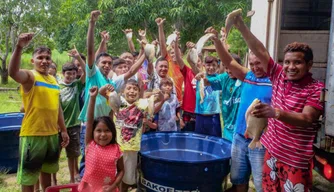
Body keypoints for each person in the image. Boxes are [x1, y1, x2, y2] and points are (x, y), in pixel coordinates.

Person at [230, 12, 324, 191]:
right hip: (271, 154)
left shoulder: (315, 88)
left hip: (295, 161)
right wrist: (241, 26)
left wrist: (276, 113)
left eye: (297, 63)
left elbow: (307, 118)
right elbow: (259, 50)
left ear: (309, 65)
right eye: (287, 62)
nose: (290, 67)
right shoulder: (279, 75)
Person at [205, 26, 272, 192]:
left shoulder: (274, 81)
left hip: (261, 139)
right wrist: (216, 40)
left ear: (267, 61)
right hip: (240, 136)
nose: (256, 67)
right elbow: (228, 61)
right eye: (252, 63)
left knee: (260, 183)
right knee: (237, 178)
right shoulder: (248, 76)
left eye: (259, 63)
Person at [8, 33, 69, 192]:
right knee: (29, 178)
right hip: (33, 135)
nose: (44, 61)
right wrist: (19, 47)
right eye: (40, 57)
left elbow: (57, 108)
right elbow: (13, 73)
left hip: (51, 135)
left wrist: (63, 129)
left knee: (47, 173)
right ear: (32, 60)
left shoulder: (54, 80)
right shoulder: (30, 76)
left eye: (47, 58)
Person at [100, 79, 163, 192]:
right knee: (114, 176)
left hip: (132, 149)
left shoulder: (142, 104)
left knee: (127, 178)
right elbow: (101, 92)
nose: (132, 91)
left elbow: (160, 98)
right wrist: (106, 88)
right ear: (123, 92)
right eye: (128, 88)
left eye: (135, 89)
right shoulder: (118, 102)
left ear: (139, 93)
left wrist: (159, 93)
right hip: (117, 148)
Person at [79, 86, 124, 192]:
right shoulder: (90, 144)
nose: (103, 134)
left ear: (113, 132)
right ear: (92, 132)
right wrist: (92, 98)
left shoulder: (117, 149)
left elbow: (121, 171)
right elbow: (89, 121)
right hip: (88, 189)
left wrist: (113, 187)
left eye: (107, 130)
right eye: (99, 131)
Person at [59, 48, 86, 183]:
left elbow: (87, 72)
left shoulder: (77, 85)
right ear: (63, 73)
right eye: (68, 74)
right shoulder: (57, 87)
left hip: (74, 125)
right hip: (58, 126)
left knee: (72, 154)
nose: (70, 76)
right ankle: (53, 180)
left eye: (73, 74)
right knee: (54, 155)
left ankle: (72, 179)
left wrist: (78, 57)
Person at [202, 53, 243, 142]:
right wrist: (201, 77)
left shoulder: (246, 80)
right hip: (228, 127)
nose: (229, 71)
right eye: (226, 68)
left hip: (242, 130)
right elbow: (207, 82)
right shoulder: (224, 77)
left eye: (232, 68)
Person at [173, 33, 200, 131]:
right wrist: (176, 43)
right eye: (196, 60)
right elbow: (179, 58)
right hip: (188, 110)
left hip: (202, 111)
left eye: (200, 60)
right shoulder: (188, 71)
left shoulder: (206, 76)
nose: (197, 62)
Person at [193, 55, 222, 137]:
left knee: (214, 141)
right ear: (204, 65)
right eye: (208, 65)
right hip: (200, 116)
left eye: (214, 65)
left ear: (217, 66)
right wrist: (192, 50)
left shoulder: (219, 78)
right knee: (200, 142)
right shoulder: (200, 76)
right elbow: (191, 62)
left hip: (214, 116)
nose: (211, 67)